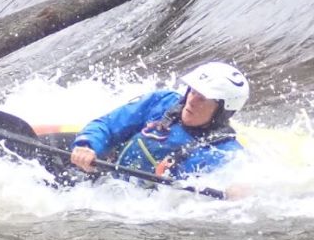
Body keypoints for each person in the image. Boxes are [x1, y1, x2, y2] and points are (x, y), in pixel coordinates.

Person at [70, 61, 249, 181]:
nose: (191, 101)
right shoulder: (162, 102)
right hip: (102, 178)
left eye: (202, 98)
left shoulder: (224, 154)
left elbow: (244, 184)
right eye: (192, 92)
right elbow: (107, 125)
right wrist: (87, 145)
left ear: (221, 112)